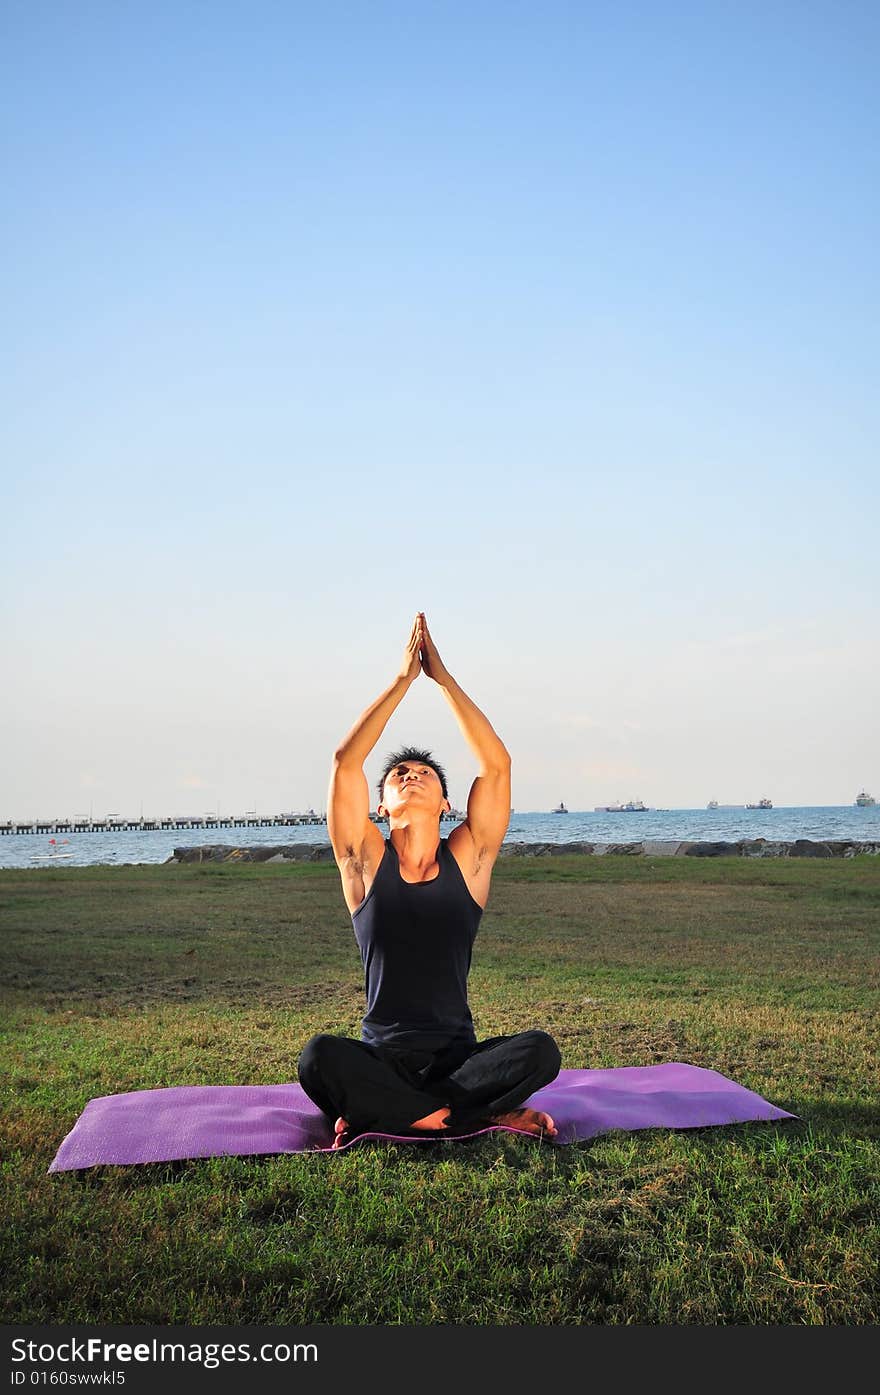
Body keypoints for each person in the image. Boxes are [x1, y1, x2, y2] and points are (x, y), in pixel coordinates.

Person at [297, 612, 561, 1148]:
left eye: (425, 774)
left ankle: (396, 1115)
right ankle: (470, 1118)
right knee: (319, 1057)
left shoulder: (469, 859)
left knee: (540, 1051)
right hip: (382, 1058)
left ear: (446, 802)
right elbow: (345, 763)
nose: (411, 774)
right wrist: (401, 682)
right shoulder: (364, 862)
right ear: (381, 805)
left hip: (459, 1060)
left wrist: (442, 679)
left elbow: (497, 766)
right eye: (399, 774)